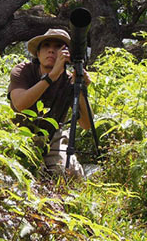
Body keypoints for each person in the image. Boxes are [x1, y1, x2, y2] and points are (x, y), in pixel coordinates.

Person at [8, 28, 92, 178]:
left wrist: (80, 89)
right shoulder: (23, 71)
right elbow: (20, 104)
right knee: (27, 172)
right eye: (46, 46)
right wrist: (51, 77)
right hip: (21, 133)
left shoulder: (69, 80)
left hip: (53, 137)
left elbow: (86, 125)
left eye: (59, 47)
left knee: (70, 174)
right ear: (38, 53)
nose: (52, 51)